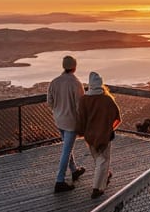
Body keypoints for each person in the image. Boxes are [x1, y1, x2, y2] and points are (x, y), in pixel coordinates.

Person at [76, 72, 121, 199]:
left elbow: (81, 119)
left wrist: (81, 131)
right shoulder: (107, 99)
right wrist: (107, 127)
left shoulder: (84, 100)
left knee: (98, 159)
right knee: (103, 160)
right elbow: (116, 115)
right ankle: (97, 188)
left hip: (90, 135)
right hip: (105, 135)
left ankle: (105, 176)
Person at [47, 55, 86, 193]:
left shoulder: (54, 82)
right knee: (66, 150)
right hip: (71, 122)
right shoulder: (76, 83)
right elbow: (79, 106)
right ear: (74, 67)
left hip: (59, 120)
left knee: (67, 147)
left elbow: (50, 101)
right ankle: (60, 181)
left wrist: (58, 110)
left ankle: (74, 170)